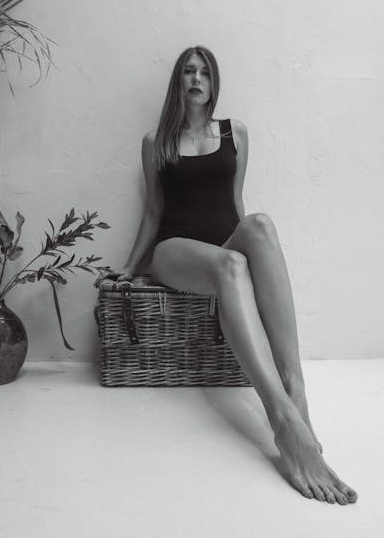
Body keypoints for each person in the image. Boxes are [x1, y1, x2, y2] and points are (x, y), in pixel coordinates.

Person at [114, 45, 357, 505]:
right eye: (188, 71)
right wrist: (129, 269)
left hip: (225, 246)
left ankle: (295, 393)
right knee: (231, 264)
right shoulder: (156, 142)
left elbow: (236, 204)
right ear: (178, 82)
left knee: (260, 226)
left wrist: (249, 245)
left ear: (214, 82)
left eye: (204, 72)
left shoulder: (235, 133)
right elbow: (153, 212)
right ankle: (282, 421)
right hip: (175, 250)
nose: (196, 78)